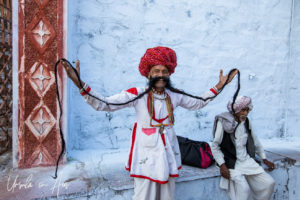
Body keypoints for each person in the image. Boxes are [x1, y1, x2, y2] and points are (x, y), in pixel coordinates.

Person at [61, 46, 237, 200]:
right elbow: (106, 104)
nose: (161, 75)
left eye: (164, 71)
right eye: (156, 71)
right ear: (149, 73)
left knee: (167, 194)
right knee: (144, 195)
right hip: (145, 154)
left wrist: (219, 86)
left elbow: (198, 102)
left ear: (169, 74)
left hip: (168, 152)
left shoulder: (174, 94)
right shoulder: (137, 93)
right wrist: (80, 84)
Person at [211, 96, 275, 200]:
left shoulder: (246, 122)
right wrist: (222, 165)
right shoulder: (223, 121)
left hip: (246, 161)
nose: (246, 113)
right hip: (230, 162)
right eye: (243, 110)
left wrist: (264, 158)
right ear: (236, 110)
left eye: (247, 110)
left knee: (269, 183)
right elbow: (215, 146)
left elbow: (255, 140)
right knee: (244, 190)